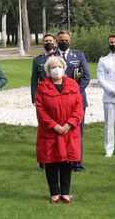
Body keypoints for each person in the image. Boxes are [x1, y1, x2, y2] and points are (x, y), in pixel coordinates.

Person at [35, 56, 84, 203]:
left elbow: (78, 108)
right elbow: (40, 110)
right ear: (48, 71)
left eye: (59, 67)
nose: (56, 69)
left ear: (64, 68)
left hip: (68, 131)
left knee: (66, 162)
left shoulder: (73, 85)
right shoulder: (42, 87)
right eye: (53, 67)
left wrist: (69, 124)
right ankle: (54, 193)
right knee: (51, 162)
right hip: (50, 132)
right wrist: (54, 126)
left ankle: (65, 193)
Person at [56, 31, 90, 171]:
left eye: (66, 40)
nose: (64, 42)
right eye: (61, 40)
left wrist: (73, 93)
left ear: (70, 41)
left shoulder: (79, 55)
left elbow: (86, 77)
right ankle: (61, 161)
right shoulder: (52, 57)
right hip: (58, 102)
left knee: (77, 133)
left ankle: (77, 163)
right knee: (59, 132)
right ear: (57, 41)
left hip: (77, 101)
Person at [30, 34, 57, 103]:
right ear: (43, 43)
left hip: (58, 93)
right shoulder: (37, 60)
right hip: (44, 94)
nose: (48, 42)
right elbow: (34, 80)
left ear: (54, 43)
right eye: (46, 41)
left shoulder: (60, 57)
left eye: (50, 41)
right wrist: (34, 98)